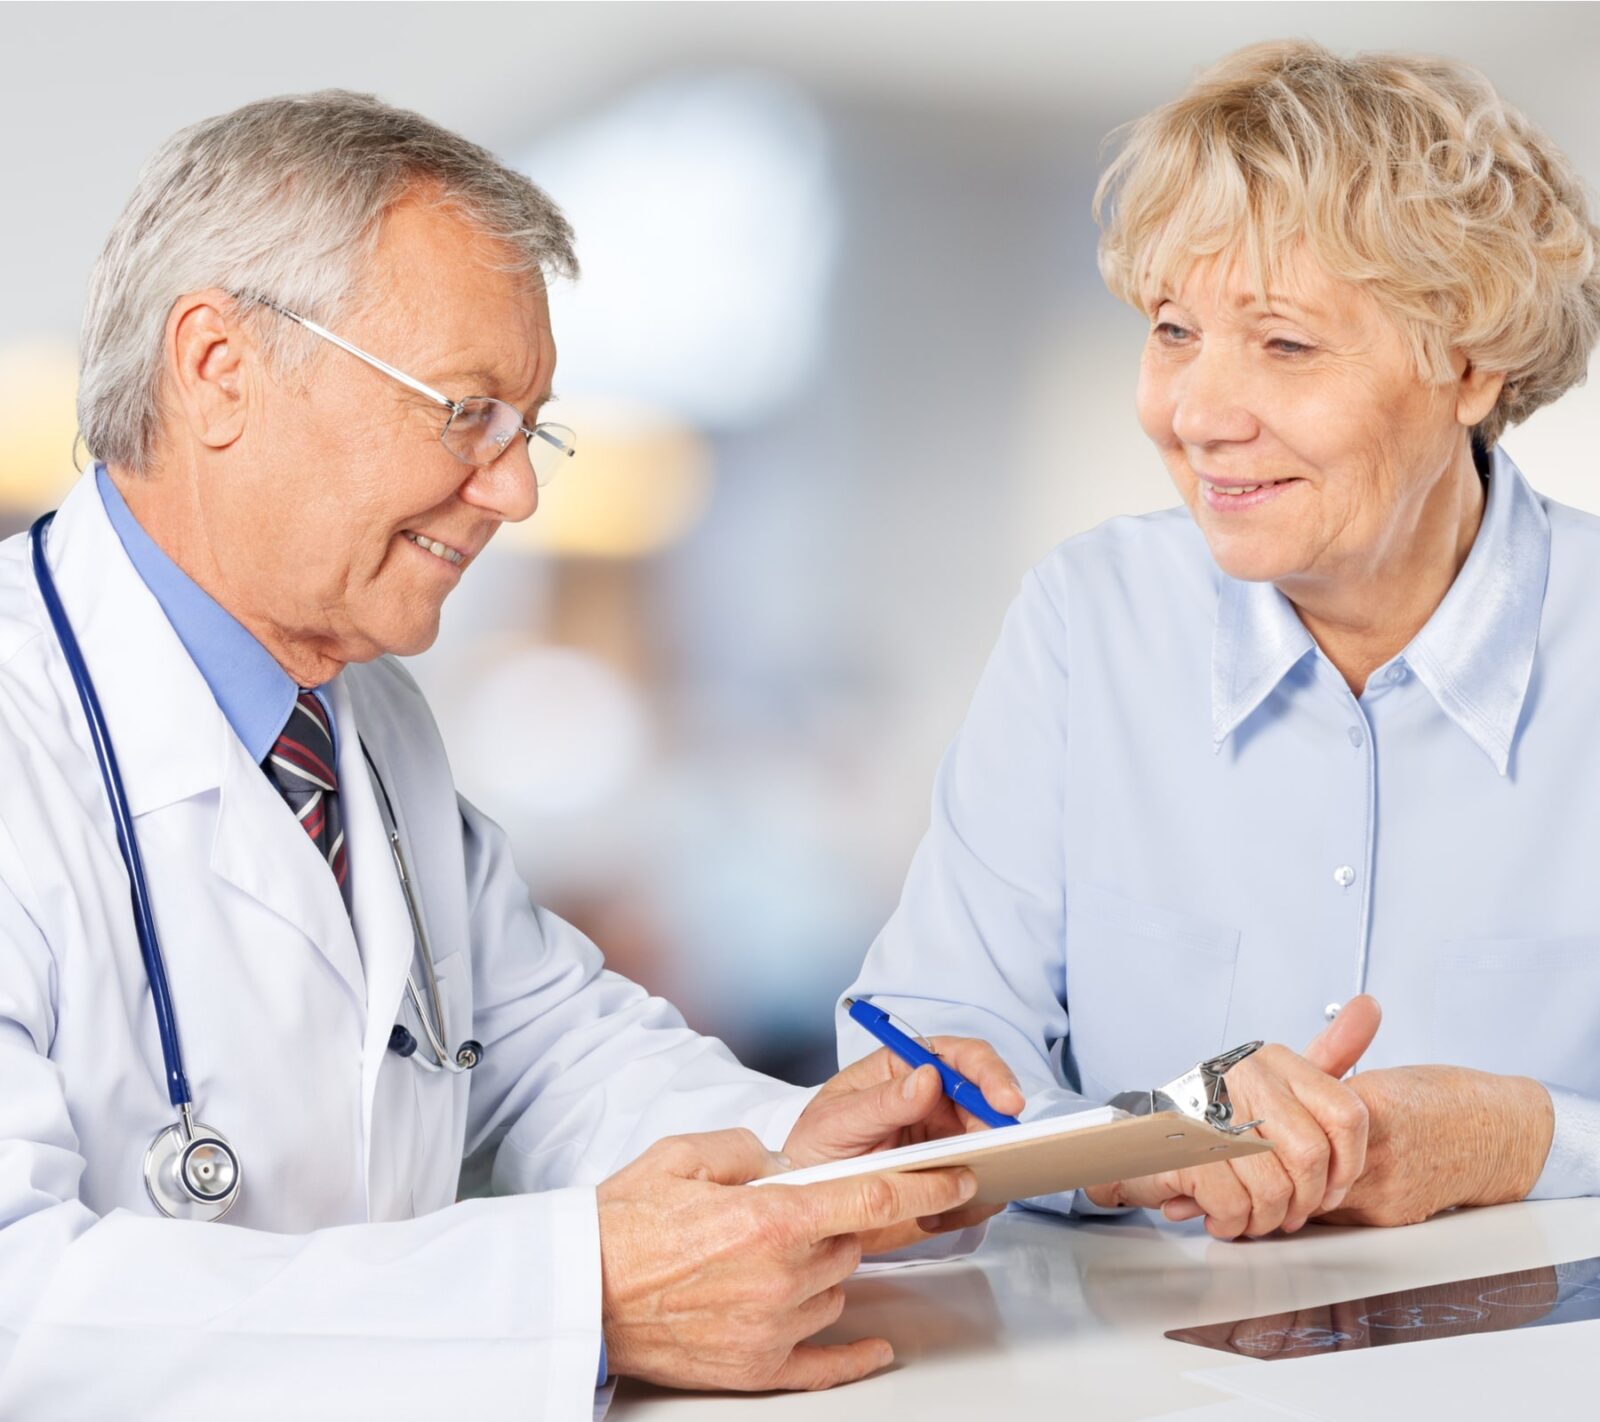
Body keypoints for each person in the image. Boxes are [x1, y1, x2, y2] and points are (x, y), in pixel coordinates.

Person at [0, 92, 1025, 1418]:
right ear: (219, 368)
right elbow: (20, 1308)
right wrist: (572, 1292)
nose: (518, 490)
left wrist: (815, 1151)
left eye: (527, 429)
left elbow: (548, 1049)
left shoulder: (364, 721)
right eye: (466, 411)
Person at [841, 40, 1600, 1241]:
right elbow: (934, 1042)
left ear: (1468, 363)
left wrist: (1522, 1138)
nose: (1195, 415)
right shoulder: (1089, 619)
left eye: (1285, 344)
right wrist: (1147, 1145)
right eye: (1173, 329)